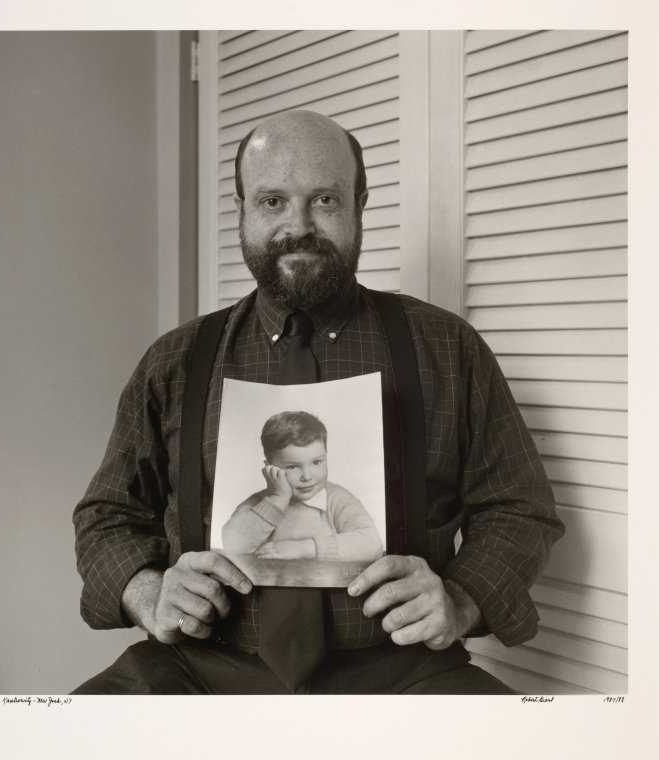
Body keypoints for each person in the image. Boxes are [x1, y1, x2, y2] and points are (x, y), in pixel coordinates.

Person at [72, 109, 564, 694]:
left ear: (359, 206)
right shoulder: (174, 361)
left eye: (325, 200)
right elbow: (107, 515)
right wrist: (148, 592)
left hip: (402, 670)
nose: (298, 226)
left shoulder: (447, 346)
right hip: (200, 667)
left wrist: (462, 598)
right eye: (272, 201)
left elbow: (518, 507)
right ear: (242, 211)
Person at [221, 411, 383, 562]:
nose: (307, 476)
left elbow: (372, 544)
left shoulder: (337, 499)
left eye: (316, 462)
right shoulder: (259, 504)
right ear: (269, 468)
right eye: (293, 467)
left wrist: (306, 548)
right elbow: (232, 545)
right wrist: (277, 500)